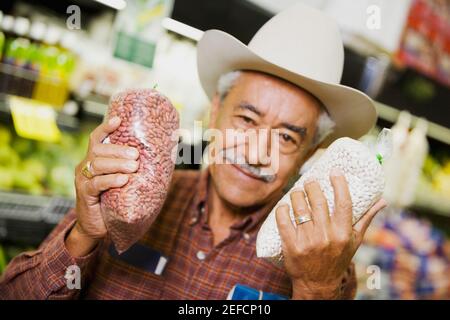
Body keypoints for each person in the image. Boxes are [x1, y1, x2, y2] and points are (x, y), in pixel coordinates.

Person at [0, 3, 386, 299]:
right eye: (246, 120)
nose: (254, 153)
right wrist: (84, 234)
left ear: (311, 153)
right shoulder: (123, 192)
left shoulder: (321, 257)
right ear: (214, 113)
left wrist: (315, 288)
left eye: (286, 137)